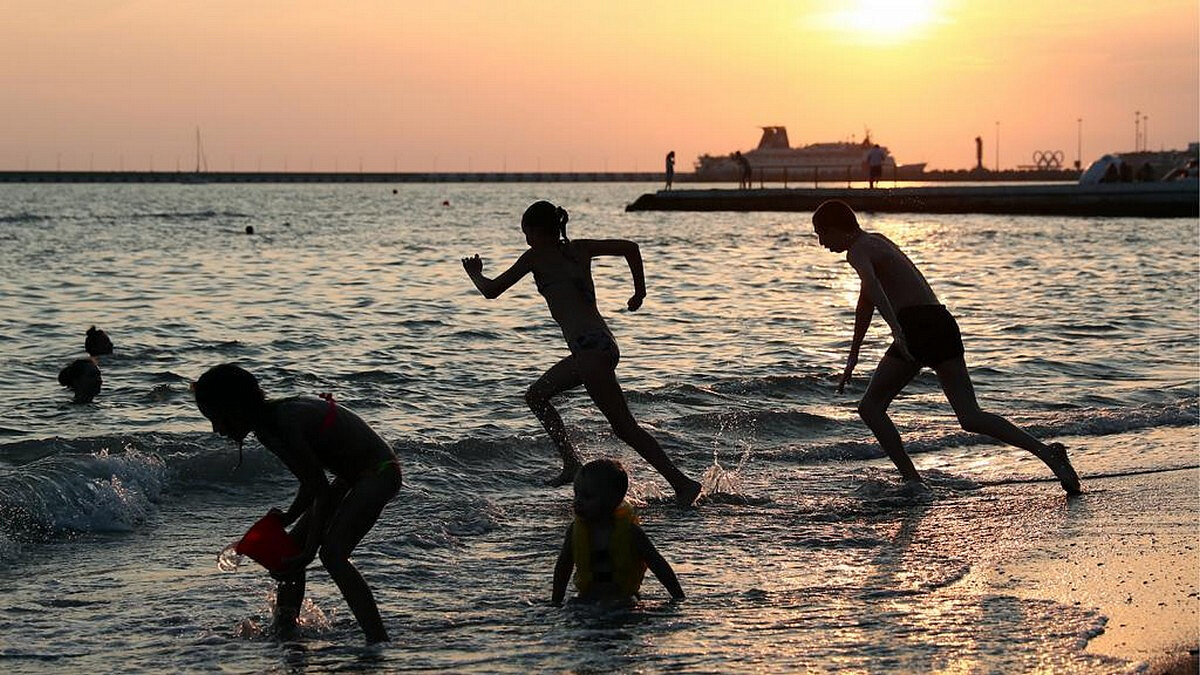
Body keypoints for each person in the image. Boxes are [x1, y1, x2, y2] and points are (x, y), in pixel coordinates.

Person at [810, 200, 1082, 495]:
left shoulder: (857, 251)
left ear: (836, 228)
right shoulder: (877, 241)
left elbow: (874, 289)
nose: (822, 243)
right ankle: (1048, 454)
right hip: (941, 321)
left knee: (870, 408)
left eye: (821, 235)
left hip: (917, 326)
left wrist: (897, 330)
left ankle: (913, 481)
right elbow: (866, 303)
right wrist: (853, 357)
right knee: (970, 416)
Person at [462, 200, 702, 505]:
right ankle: (681, 483)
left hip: (589, 352)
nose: (526, 240)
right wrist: (639, 292)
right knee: (623, 426)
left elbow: (492, 290)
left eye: (526, 233)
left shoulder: (535, 256)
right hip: (603, 345)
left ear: (537, 231)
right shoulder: (580, 248)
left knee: (541, 398)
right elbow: (631, 247)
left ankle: (576, 464)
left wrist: (474, 273)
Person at [193, 363, 402, 643]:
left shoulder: (280, 425)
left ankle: (377, 639)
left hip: (379, 472)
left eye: (217, 418)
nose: (216, 429)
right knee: (292, 549)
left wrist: (309, 551)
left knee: (332, 554)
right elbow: (313, 482)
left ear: (236, 408)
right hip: (350, 477)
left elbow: (321, 492)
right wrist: (290, 517)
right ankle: (285, 629)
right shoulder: (270, 421)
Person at [551, 458, 684, 606]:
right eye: (576, 495)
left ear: (613, 500)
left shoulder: (631, 533)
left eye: (587, 497)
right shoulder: (574, 531)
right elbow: (563, 567)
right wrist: (555, 602)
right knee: (573, 605)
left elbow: (657, 564)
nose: (578, 501)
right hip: (586, 599)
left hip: (623, 600)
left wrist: (678, 598)